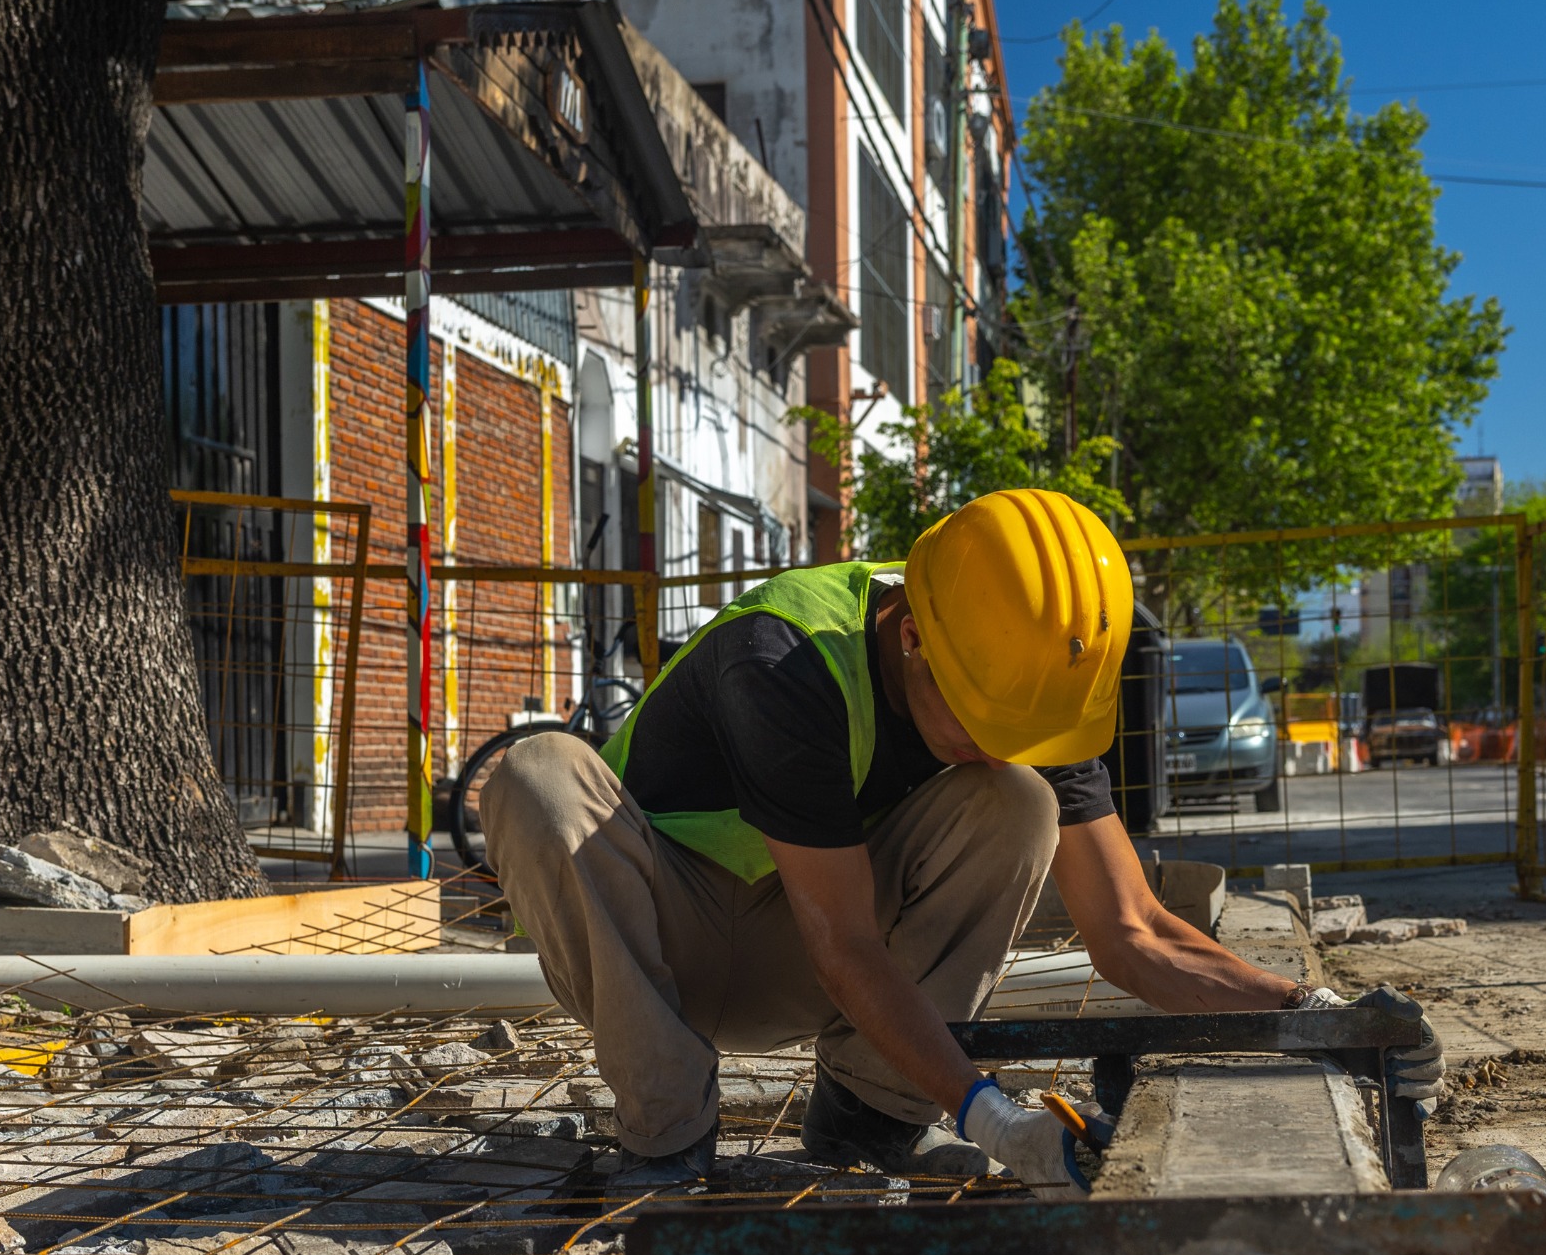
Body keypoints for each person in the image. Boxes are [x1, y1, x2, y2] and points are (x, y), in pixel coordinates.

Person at [480, 489, 1440, 1192]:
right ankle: (665, 1136)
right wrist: (991, 1113)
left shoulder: (1027, 688)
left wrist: (1319, 1012)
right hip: (664, 945)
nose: (997, 742)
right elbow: (845, 944)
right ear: (910, 634)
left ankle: (868, 1116)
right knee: (537, 772)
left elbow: (1133, 933)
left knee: (1015, 801)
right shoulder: (785, 660)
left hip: (804, 955)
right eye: (978, 717)